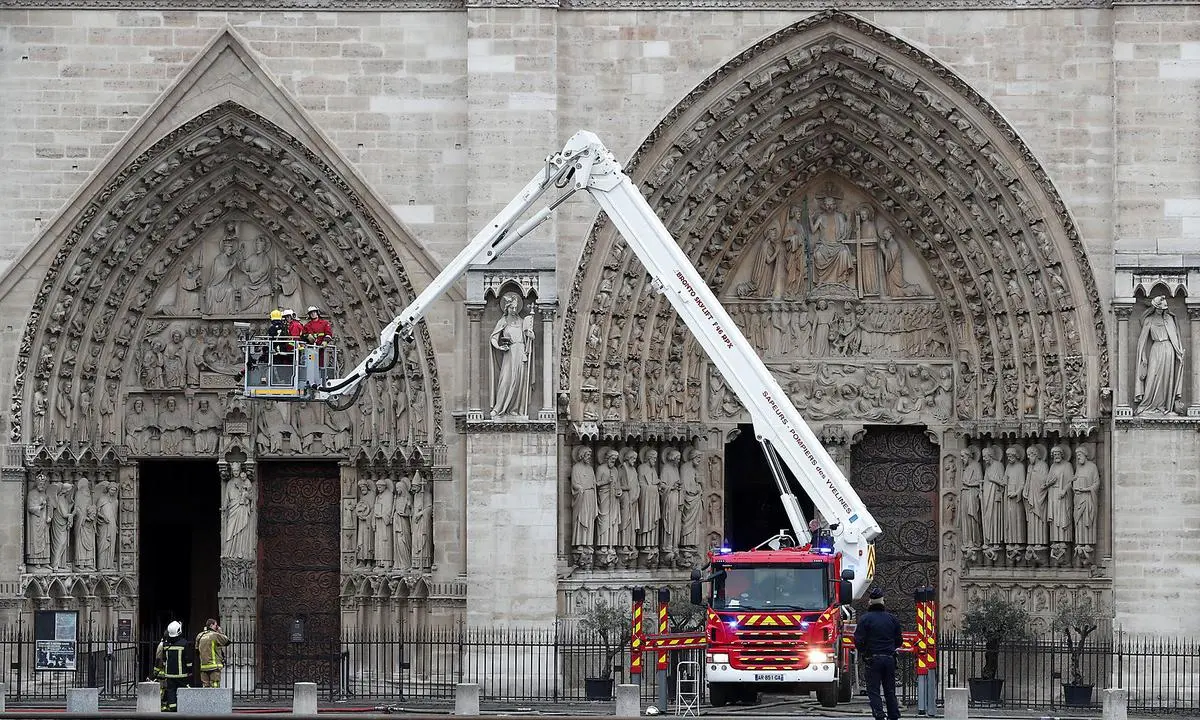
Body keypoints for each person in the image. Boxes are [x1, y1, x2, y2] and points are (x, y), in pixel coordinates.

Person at [853, 588, 903, 720]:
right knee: (890, 690)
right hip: (889, 659)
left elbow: (858, 640)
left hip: (873, 659)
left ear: (870, 602)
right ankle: (894, 715)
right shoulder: (892, 619)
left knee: (873, 690)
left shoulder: (865, 619)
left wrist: (864, 651)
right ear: (883, 602)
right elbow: (899, 641)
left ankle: (879, 715)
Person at [154, 621, 193, 712]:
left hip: (169, 674)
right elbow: (188, 660)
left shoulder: (166, 644)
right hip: (181, 674)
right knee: (184, 690)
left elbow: (162, 659)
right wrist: (190, 670)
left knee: (171, 690)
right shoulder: (184, 643)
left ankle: (172, 707)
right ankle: (185, 706)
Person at [195, 618, 231, 688]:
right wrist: (220, 632)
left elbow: (197, 651)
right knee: (215, 685)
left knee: (205, 687)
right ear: (211, 625)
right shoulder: (215, 635)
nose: (217, 627)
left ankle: (206, 699)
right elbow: (227, 641)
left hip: (203, 666)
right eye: (216, 625)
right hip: (215, 666)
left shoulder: (200, 635)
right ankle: (215, 699)